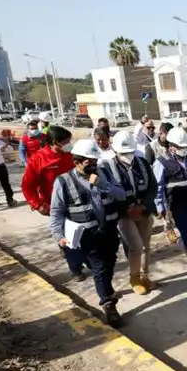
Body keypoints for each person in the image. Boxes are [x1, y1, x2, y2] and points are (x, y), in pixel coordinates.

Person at [49, 139, 127, 326]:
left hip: (108, 231)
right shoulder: (63, 181)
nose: (92, 165)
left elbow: (121, 194)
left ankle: (105, 287)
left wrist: (104, 185)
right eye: (88, 162)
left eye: (94, 161)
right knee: (100, 268)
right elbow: (56, 211)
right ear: (76, 162)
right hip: (86, 236)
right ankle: (109, 303)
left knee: (108, 265)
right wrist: (58, 235)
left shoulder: (104, 174)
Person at [21, 125, 90, 281]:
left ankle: (84, 258)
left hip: (78, 201)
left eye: (69, 141)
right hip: (56, 205)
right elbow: (27, 186)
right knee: (70, 238)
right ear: (54, 142)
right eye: (65, 141)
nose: (68, 144)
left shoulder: (71, 155)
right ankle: (76, 268)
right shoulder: (38, 159)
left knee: (84, 233)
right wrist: (37, 204)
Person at [99, 130, 157, 295]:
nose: (128, 155)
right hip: (124, 214)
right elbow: (107, 193)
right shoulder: (106, 167)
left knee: (146, 247)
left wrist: (144, 205)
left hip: (144, 211)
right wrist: (126, 209)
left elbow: (152, 186)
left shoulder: (143, 163)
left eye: (130, 152)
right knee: (136, 247)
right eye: (124, 153)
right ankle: (134, 278)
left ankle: (145, 276)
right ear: (115, 151)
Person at [153, 126, 187, 275]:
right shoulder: (162, 162)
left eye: (185, 146)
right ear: (171, 145)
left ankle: (184, 242)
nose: (184, 149)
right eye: (180, 146)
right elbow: (158, 186)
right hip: (178, 204)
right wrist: (160, 206)